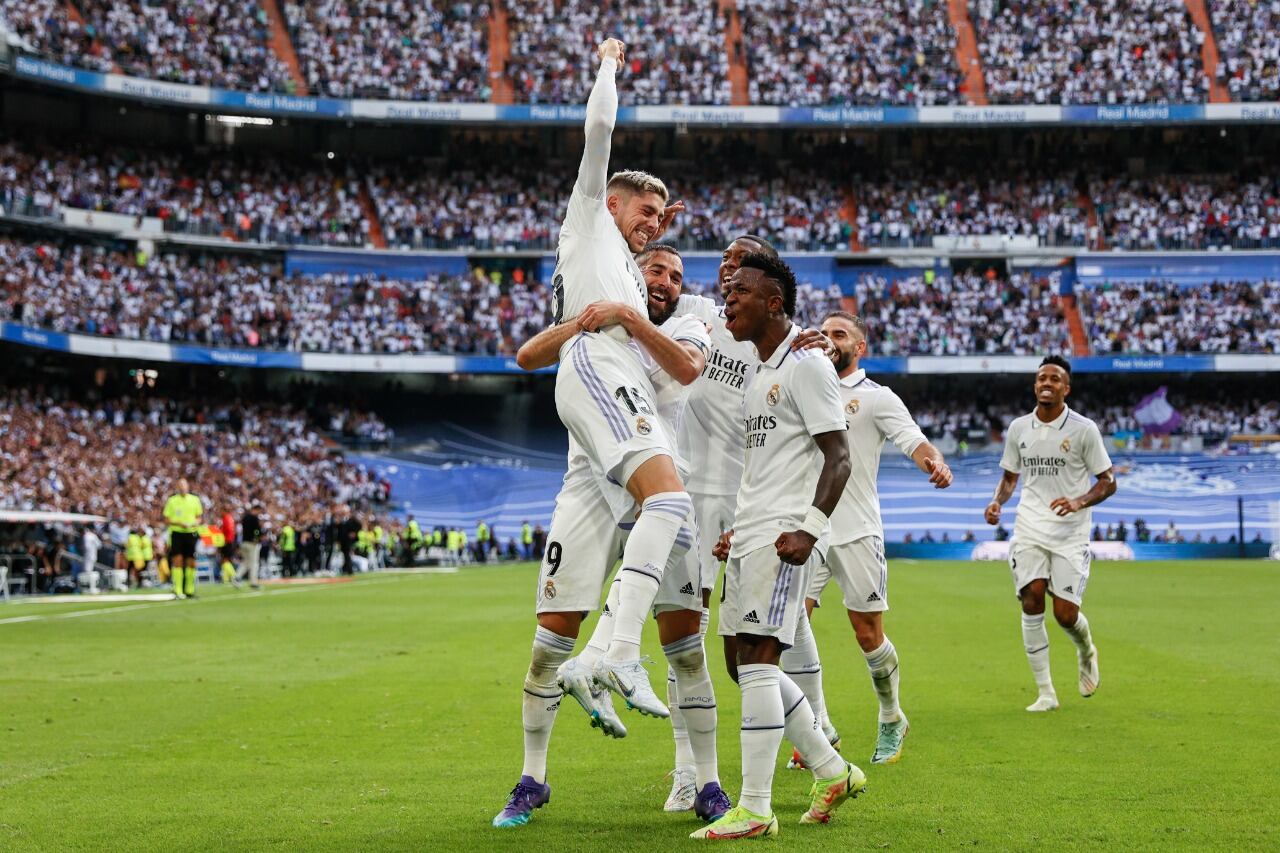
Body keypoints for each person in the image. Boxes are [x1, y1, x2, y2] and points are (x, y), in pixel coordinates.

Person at [497, 244, 731, 829]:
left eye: (676, 275)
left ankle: (708, 784)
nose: (667, 281)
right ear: (632, 273)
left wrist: (626, 319)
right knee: (548, 646)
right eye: (656, 270)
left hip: (658, 481)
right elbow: (526, 355)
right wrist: (586, 322)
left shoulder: (688, 322)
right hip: (587, 486)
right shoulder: (597, 321)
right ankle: (532, 778)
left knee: (687, 648)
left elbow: (687, 367)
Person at [539, 36, 692, 724]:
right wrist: (608, 64)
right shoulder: (589, 213)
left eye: (661, 219)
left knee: (656, 517)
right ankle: (619, 651)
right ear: (610, 204)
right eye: (644, 213)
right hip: (599, 364)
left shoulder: (625, 265)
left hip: (609, 374)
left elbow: (642, 247)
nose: (652, 226)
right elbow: (600, 128)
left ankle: (597, 655)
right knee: (670, 500)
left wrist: (656, 220)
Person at [696, 254, 863, 839]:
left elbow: (839, 457)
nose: (727, 298)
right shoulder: (758, 371)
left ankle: (756, 809)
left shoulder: (807, 365)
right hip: (752, 532)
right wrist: (738, 528)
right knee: (741, 665)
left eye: (740, 291)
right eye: (726, 291)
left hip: (786, 535)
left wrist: (809, 529)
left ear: (773, 302)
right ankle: (831, 768)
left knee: (760, 661)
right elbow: (764, 465)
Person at [783, 311, 952, 771]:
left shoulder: (877, 398)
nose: (829, 339)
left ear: (859, 348)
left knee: (867, 634)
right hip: (808, 527)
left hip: (857, 529)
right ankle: (819, 728)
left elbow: (914, 441)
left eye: (840, 334)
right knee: (791, 627)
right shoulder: (800, 385)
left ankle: (891, 715)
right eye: (824, 332)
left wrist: (934, 463)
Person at [984, 355, 1117, 712]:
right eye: (1042, 377)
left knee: (1065, 615)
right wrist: (997, 502)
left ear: (1066, 388)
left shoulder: (1084, 429)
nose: (1047, 382)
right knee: (1032, 599)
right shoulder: (1019, 428)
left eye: (1055, 379)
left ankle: (1086, 650)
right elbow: (1010, 477)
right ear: (1035, 385)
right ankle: (1046, 692)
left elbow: (1108, 481)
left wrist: (1078, 501)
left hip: (1070, 533)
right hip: (1029, 526)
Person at [162, 477, 203, 600]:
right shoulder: (172, 501)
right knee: (177, 560)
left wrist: (195, 522)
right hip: (177, 533)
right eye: (180, 485)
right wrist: (179, 523)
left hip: (191, 533)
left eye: (184, 485)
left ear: (187, 486)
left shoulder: (195, 500)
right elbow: (166, 519)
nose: (182, 487)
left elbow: (199, 517)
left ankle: (189, 590)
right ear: (177, 487)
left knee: (191, 562)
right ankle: (178, 590)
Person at [237, 503, 263, 589]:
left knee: (246, 562)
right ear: (257, 509)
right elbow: (257, 531)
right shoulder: (254, 518)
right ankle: (253, 582)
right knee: (254, 563)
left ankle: (237, 577)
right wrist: (257, 537)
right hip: (252, 543)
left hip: (244, 542)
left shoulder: (245, 517)